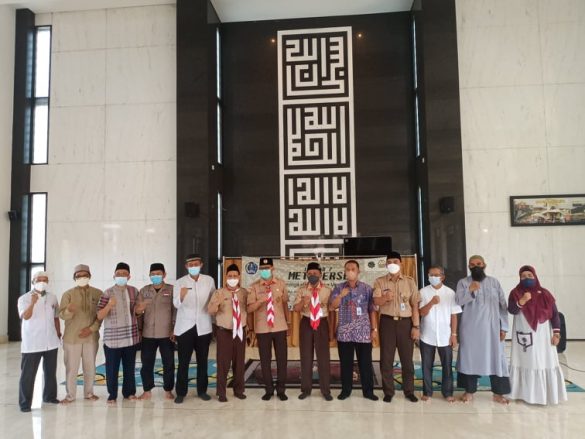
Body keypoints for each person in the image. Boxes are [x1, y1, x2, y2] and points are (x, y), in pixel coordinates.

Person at [507, 265, 567, 405]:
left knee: (542, 361)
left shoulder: (545, 293)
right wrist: (522, 301)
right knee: (526, 361)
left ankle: (545, 395)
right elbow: (512, 310)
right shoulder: (515, 292)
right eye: (523, 276)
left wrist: (556, 334)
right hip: (523, 333)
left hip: (543, 336)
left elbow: (555, 315)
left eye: (530, 275)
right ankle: (522, 393)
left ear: (535, 276)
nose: (527, 278)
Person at [455, 255, 511, 404]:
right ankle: (469, 391)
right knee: (469, 359)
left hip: (492, 329)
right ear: (469, 266)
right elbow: (458, 302)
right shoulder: (463, 282)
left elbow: (503, 306)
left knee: (496, 359)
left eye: (479, 263)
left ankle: (498, 393)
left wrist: (504, 327)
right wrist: (470, 290)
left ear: (484, 265)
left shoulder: (494, 282)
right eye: (472, 264)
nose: (476, 267)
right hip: (470, 329)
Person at [373, 251, 420, 403]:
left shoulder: (409, 282)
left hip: (405, 323)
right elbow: (376, 302)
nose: (392, 264)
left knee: (407, 360)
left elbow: (415, 306)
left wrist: (416, 326)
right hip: (387, 322)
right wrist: (384, 298)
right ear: (386, 265)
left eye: (395, 261)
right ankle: (388, 391)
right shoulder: (380, 281)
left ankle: (409, 391)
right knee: (386, 359)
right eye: (389, 262)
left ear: (401, 263)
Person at [329, 260, 378, 401]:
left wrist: (374, 329)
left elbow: (372, 310)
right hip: (345, 333)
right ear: (344, 271)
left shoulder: (367, 288)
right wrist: (341, 295)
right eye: (348, 269)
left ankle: (368, 391)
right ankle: (346, 390)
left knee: (365, 363)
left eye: (353, 269)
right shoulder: (338, 287)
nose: (350, 271)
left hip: (363, 332)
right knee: (346, 363)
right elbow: (332, 306)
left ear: (358, 271)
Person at [173, 254, 215, 403]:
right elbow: (176, 304)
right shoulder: (180, 282)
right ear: (186, 266)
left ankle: (202, 391)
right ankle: (181, 392)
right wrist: (181, 296)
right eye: (190, 265)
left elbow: (213, 300)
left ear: (201, 265)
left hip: (203, 327)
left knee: (202, 361)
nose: (193, 267)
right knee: (183, 362)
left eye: (196, 264)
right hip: (185, 328)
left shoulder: (209, 280)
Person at [247, 257, 291, 401]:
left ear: (273, 268)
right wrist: (260, 301)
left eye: (267, 268)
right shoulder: (254, 286)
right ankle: (269, 389)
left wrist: (289, 323)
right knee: (265, 360)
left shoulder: (281, 284)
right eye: (262, 269)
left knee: (282, 359)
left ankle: (281, 389)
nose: (265, 271)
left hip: (280, 326)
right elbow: (249, 308)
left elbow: (285, 304)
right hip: (263, 328)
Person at [97, 262, 140, 404]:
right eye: (118, 274)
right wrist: (109, 305)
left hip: (130, 337)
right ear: (114, 276)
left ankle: (129, 392)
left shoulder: (134, 291)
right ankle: (112, 395)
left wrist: (141, 309)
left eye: (124, 274)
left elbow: (137, 312)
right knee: (112, 369)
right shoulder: (107, 292)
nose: (121, 276)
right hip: (112, 340)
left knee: (129, 368)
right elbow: (99, 315)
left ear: (129, 276)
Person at [18, 271, 61, 412]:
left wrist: (58, 333)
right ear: (33, 281)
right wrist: (32, 303)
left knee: (50, 372)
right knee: (28, 374)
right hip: (33, 342)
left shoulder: (52, 297)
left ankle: (50, 396)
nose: (42, 282)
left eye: (45, 280)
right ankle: (25, 403)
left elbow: (56, 317)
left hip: (51, 341)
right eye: (39, 279)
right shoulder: (24, 298)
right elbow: (26, 316)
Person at [59, 264, 103, 404]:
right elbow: (62, 315)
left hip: (91, 337)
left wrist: (91, 329)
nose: (82, 278)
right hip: (72, 338)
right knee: (71, 369)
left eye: (85, 275)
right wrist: (69, 310)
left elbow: (100, 316)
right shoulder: (68, 294)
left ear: (90, 276)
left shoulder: (98, 293)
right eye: (78, 276)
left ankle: (89, 393)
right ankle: (70, 396)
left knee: (90, 367)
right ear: (74, 278)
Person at [418, 265, 461, 402]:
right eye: (430, 275)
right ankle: (427, 392)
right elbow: (421, 312)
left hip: (445, 336)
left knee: (447, 366)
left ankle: (447, 393)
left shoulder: (450, 293)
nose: (433, 277)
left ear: (442, 277)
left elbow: (454, 315)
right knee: (426, 365)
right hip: (427, 335)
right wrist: (431, 302)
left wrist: (454, 335)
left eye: (436, 275)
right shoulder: (423, 292)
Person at [293, 262, 334, 401]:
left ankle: (325, 390)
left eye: (315, 273)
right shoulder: (302, 290)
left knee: (323, 358)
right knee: (306, 357)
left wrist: (331, 330)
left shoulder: (327, 290)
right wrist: (304, 302)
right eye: (309, 273)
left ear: (320, 274)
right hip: (306, 323)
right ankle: (306, 389)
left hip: (322, 323)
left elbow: (331, 310)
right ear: (306, 274)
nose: (312, 275)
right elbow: (296, 309)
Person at [207, 264, 248, 402]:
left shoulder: (244, 293)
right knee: (223, 363)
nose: (232, 278)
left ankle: (239, 390)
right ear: (226, 277)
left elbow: (249, 310)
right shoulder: (219, 293)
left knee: (239, 362)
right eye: (230, 276)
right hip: (224, 332)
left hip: (240, 330)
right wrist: (216, 303)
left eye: (235, 276)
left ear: (239, 276)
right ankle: (221, 393)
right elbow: (210, 311)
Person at [136, 263, 176, 400]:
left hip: (166, 333)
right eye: (153, 274)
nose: (155, 276)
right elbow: (138, 313)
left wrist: (174, 329)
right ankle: (147, 390)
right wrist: (139, 329)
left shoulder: (171, 290)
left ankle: (168, 390)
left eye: (158, 274)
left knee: (168, 363)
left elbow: (176, 310)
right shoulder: (144, 291)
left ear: (164, 274)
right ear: (149, 275)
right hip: (148, 333)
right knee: (146, 363)